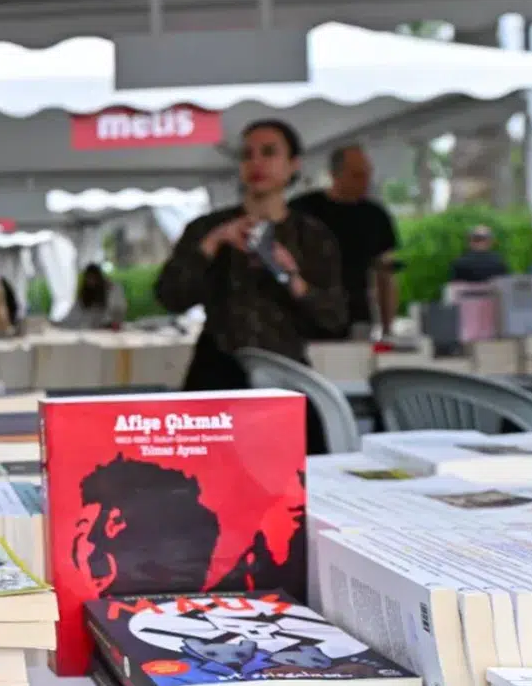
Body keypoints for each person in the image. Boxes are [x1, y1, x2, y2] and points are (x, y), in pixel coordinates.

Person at [154, 119, 346, 455]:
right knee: (206, 483)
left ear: (293, 165)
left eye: (269, 153)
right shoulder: (206, 228)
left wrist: (291, 276)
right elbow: (170, 296)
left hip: (285, 374)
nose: (257, 163)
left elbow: (334, 318)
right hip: (215, 376)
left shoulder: (312, 235)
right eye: (247, 155)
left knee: (294, 482)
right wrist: (212, 245)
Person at [290, 144, 400, 340]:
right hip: (306, 315)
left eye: (367, 174)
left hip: (357, 316)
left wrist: (387, 327)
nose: (365, 182)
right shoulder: (303, 210)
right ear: (335, 175)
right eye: (357, 175)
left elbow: (385, 275)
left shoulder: (376, 216)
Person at [62, 263, 128, 329]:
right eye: (89, 278)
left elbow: (118, 308)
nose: (91, 281)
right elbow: (74, 314)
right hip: (90, 326)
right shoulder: (85, 294)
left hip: (108, 325)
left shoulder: (112, 289)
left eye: (93, 278)